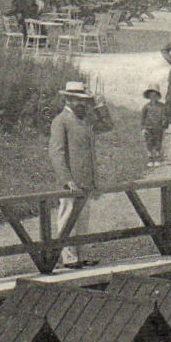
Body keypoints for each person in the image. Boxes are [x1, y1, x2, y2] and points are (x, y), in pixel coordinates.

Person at [48, 81, 99, 270]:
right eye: (76, 100)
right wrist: (66, 179)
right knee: (67, 217)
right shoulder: (60, 121)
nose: (81, 104)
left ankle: (80, 255)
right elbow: (56, 152)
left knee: (83, 219)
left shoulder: (84, 121)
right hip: (71, 181)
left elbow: (107, 125)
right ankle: (69, 257)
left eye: (83, 100)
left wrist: (98, 104)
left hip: (85, 179)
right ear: (67, 99)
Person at [140, 85, 168, 168]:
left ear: (158, 96)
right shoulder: (146, 107)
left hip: (158, 128)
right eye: (151, 95)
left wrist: (164, 122)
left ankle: (157, 159)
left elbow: (165, 116)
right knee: (149, 143)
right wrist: (143, 128)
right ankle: (150, 160)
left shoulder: (162, 106)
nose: (153, 97)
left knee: (158, 143)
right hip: (148, 128)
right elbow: (143, 118)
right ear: (149, 96)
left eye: (155, 95)